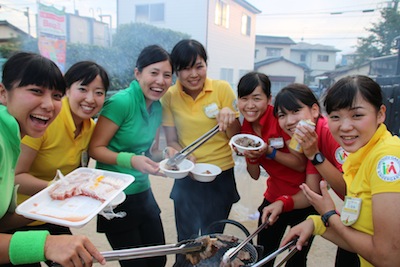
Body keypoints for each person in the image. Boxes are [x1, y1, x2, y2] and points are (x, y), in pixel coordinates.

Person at [281, 75, 400, 267]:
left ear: (380, 114)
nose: (345, 127)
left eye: (357, 115)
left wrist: (329, 216)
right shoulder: (357, 154)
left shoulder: (387, 159)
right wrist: (317, 224)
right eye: (335, 116)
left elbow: (389, 258)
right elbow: (362, 238)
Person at [0, 52, 105, 266]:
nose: (49, 105)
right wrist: (45, 244)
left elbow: (3, 222)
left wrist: (62, 197)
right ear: (3, 93)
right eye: (36, 91)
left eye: (57, 96)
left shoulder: (12, 137)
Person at [89, 45, 173, 267]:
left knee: (158, 259)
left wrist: (167, 155)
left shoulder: (158, 108)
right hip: (114, 194)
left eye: (167, 75)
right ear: (138, 74)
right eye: (153, 73)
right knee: (135, 265)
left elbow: (149, 151)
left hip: (143, 192)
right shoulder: (121, 102)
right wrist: (130, 160)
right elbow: (95, 148)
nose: (160, 81)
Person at [160, 39, 241, 243]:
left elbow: (235, 136)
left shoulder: (222, 89)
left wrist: (228, 115)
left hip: (220, 175)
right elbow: (171, 140)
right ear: (176, 70)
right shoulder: (169, 96)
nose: (194, 74)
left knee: (213, 239)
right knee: (185, 240)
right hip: (187, 173)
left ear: (206, 65)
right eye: (186, 68)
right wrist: (184, 155)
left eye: (199, 66)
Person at [271, 83, 359, 266]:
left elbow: (350, 189)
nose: (289, 121)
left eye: (295, 111)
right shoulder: (311, 138)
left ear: (314, 110)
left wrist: (314, 155)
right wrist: (283, 202)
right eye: (282, 115)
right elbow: (312, 190)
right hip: (356, 212)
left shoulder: (330, 132)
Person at [236, 71, 315, 267]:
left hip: (303, 198)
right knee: (263, 255)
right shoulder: (246, 126)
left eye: (256, 98)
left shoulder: (282, 119)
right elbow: (254, 175)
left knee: (295, 258)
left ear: (269, 99)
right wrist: (252, 157)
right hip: (274, 196)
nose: (250, 105)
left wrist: (269, 151)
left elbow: (300, 163)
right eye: (244, 99)